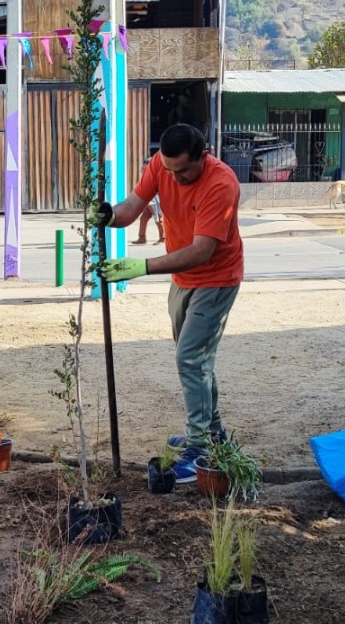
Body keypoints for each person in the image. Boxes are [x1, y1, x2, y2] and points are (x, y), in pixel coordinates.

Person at [89, 123, 244, 483]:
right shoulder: (162, 164)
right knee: (197, 360)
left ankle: (201, 448)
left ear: (202, 156)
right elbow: (131, 207)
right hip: (182, 280)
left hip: (216, 278)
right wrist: (110, 215)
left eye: (184, 171)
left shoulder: (222, 184)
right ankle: (212, 432)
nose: (175, 178)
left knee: (190, 357)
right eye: (169, 170)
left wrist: (141, 266)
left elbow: (201, 252)